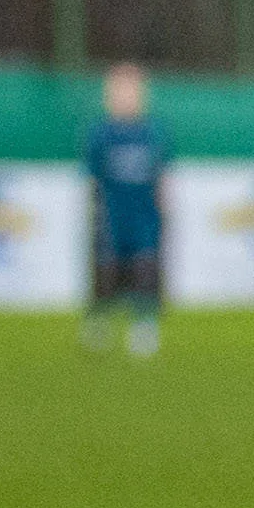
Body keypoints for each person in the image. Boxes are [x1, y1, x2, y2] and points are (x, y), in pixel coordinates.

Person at [82, 64, 166, 359]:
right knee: (107, 274)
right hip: (112, 218)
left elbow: (162, 178)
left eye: (132, 90)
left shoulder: (153, 133)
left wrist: (162, 212)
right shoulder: (101, 134)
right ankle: (98, 321)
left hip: (144, 219)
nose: (126, 97)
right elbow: (92, 179)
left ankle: (144, 328)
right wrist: (96, 214)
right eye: (120, 90)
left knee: (145, 272)